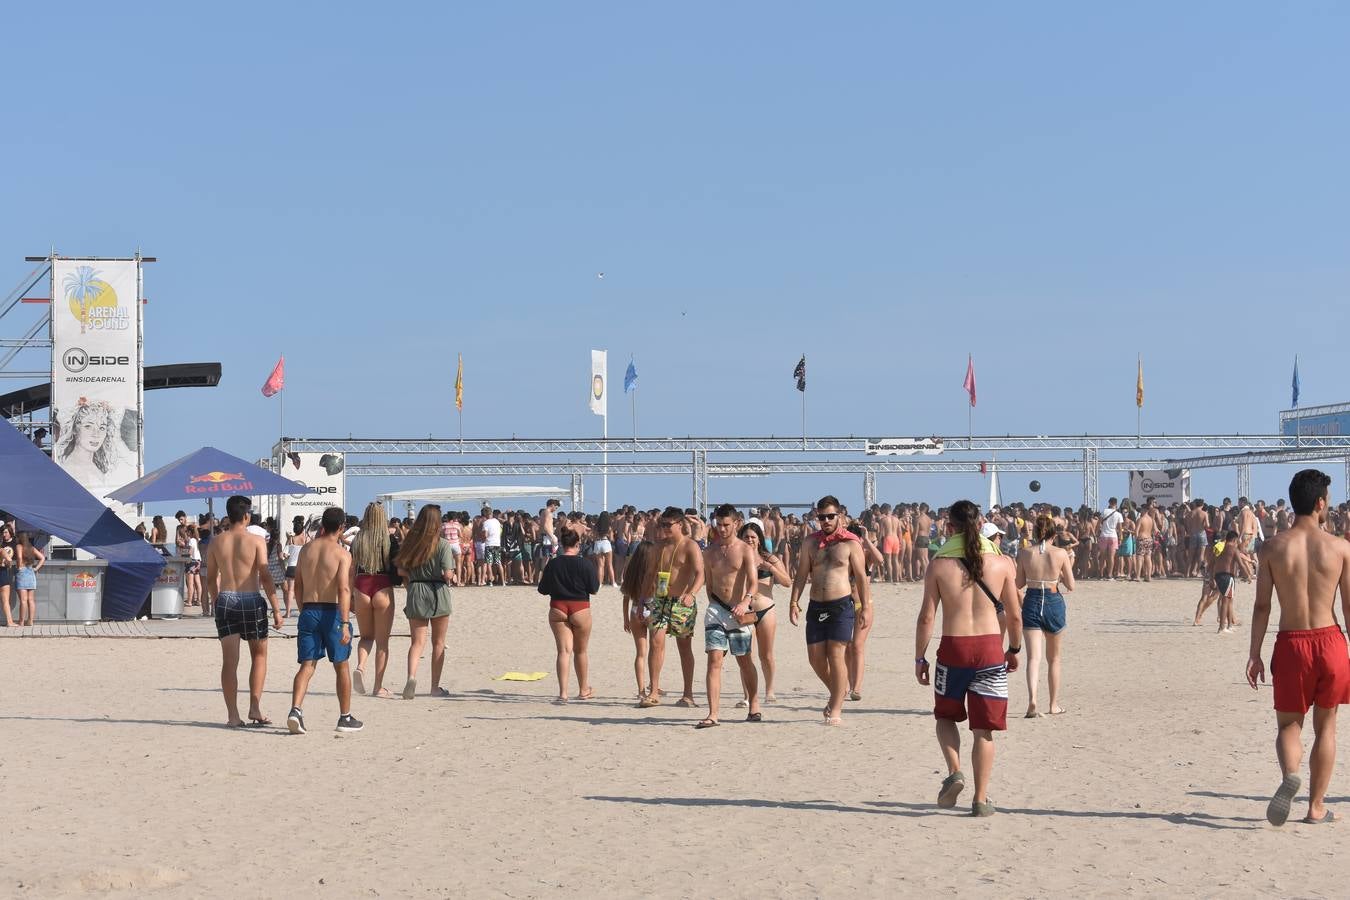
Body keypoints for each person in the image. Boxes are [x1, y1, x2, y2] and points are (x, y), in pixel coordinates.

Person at [1247, 469, 1350, 826]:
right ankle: (1316, 806)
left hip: (1291, 643)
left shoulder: (1272, 547)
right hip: (1330, 640)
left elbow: (1262, 606)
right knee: (1327, 726)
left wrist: (1254, 653)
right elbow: (1349, 607)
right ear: (1320, 502)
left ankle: (1291, 773)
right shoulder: (1339, 548)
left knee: (1289, 725)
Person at [916, 499, 1023, 816]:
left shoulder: (938, 565)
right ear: (981, 526)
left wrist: (919, 658)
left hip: (954, 648)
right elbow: (1014, 616)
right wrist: (1014, 649)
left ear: (950, 528)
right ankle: (980, 798)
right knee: (984, 730)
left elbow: (926, 618)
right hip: (990, 650)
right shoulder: (1003, 563)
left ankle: (954, 771)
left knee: (946, 716)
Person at [789, 495, 872, 725]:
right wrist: (794, 602)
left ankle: (835, 709)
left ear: (840, 516)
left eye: (830, 516)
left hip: (840, 605)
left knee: (836, 654)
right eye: (821, 517)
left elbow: (863, 579)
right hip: (816, 605)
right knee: (815, 658)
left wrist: (865, 607)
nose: (825, 521)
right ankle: (838, 691)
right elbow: (801, 575)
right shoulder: (810, 542)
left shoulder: (850, 543)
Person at [203, 496, 284, 727]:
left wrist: (216, 600)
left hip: (226, 599)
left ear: (228, 516)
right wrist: (277, 609)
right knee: (259, 656)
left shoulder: (216, 542)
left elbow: (210, 579)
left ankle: (232, 715)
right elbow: (266, 577)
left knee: (229, 661)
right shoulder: (257, 540)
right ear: (247, 516)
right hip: (251, 600)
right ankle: (255, 708)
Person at [286, 507, 363, 734]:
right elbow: (344, 588)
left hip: (309, 610)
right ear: (341, 527)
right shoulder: (342, 554)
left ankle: (295, 710)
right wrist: (346, 622)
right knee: (341, 665)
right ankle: (345, 717)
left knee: (307, 665)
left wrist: (303, 610)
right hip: (332, 612)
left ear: (322, 526)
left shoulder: (306, 550)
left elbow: (298, 585)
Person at [697, 504, 760, 728]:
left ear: (736, 524)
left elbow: (753, 582)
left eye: (726, 525)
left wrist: (745, 601)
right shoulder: (709, 551)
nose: (722, 529)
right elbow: (709, 583)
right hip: (716, 610)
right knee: (714, 659)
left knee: (744, 660)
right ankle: (713, 713)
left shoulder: (744, 549)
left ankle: (754, 703)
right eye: (719, 524)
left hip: (738, 611)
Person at [638, 506, 704, 709]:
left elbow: (700, 573)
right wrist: (642, 599)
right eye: (662, 524)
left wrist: (692, 594)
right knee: (656, 642)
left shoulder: (690, 546)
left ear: (680, 524)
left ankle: (688, 694)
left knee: (684, 647)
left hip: (681, 601)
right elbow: (649, 574)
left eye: (668, 525)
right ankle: (654, 691)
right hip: (660, 600)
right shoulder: (658, 546)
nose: (664, 528)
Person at [1015, 514, 1075, 717]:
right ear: (1052, 533)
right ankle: (1053, 704)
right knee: (1054, 659)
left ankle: (1032, 700)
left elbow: (1019, 583)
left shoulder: (1024, 553)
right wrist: (1058, 575)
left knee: (1033, 658)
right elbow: (1071, 585)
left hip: (1032, 598)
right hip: (1052, 599)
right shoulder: (1060, 553)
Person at [396, 505, 455, 699]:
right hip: (437, 590)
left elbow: (400, 571)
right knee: (438, 642)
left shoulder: (411, 542)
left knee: (417, 642)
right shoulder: (442, 544)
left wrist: (415, 573)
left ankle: (411, 677)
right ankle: (434, 687)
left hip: (416, 589)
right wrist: (448, 574)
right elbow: (448, 574)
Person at [537, 527, 600, 702]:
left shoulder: (554, 563)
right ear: (577, 544)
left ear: (563, 544)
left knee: (563, 652)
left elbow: (542, 590)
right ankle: (583, 689)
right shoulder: (585, 563)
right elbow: (594, 589)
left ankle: (563, 693)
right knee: (581, 651)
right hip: (580, 607)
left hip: (558, 606)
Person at [351, 502, 400, 698]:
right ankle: (378, 687)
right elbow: (396, 569)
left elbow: (351, 568)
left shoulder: (358, 540)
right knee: (382, 642)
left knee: (365, 637)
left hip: (361, 585)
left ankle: (360, 667)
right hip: (382, 586)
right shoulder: (389, 540)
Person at [740, 521, 786, 704]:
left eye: (753, 537)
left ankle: (769, 690)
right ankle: (747, 695)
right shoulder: (737, 558)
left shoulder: (770, 558)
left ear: (759, 539)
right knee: (745, 654)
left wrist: (771, 568)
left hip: (765, 608)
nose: (750, 540)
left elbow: (787, 581)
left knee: (766, 654)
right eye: (746, 537)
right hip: (744, 609)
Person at [620, 540, 655, 699]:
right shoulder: (654, 569)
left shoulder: (630, 570)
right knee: (656, 651)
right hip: (652, 608)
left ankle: (641, 690)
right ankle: (654, 687)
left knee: (640, 653)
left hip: (635, 610)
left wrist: (626, 618)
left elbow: (626, 597)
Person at [14, 531, 44, 627]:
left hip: (22, 573)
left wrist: (18, 567)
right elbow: (42, 558)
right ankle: (30, 621)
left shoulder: (19, 546)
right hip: (31, 573)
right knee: (31, 600)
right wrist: (36, 568)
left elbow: (19, 557)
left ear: (20, 538)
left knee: (23, 600)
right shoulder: (32, 548)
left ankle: (21, 622)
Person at [282, 515, 307, 617]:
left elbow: (284, 554)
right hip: (303, 568)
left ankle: (288, 612)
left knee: (290, 591)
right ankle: (302, 612)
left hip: (292, 567)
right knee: (303, 591)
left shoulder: (291, 539)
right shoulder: (306, 539)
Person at [0, 524, 14, 627]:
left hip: (3, 571)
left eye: (5, 532)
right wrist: (8, 562)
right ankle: (9, 622)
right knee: (5, 599)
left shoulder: (14, 542)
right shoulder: (1, 549)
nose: (4, 535)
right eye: (2, 532)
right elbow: (9, 559)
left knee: (5, 599)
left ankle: (10, 622)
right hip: (3, 571)